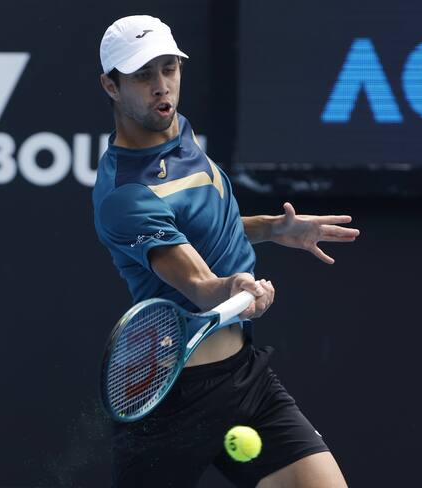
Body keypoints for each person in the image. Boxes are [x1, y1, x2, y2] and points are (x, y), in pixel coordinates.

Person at [93, 15, 359, 488]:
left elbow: (197, 229)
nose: (161, 87)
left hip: (244, 377)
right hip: (170, 399)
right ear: (111, 87)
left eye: (169, 68)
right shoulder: (125, 196)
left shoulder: (177, 131)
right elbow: (196, 281)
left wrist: (272, 227)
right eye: (142, 75)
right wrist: (231, 288)